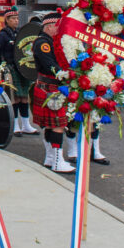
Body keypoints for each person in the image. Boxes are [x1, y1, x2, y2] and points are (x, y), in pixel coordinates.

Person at [30, 11, 74, 173]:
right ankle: (57, 160)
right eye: (57, 26)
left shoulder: (53, 41)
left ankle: (50, 158)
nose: (59, 29)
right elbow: (50, 65)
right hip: (50, 86)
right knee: (58, 126)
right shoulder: (43, 43)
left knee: (51, 125)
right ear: (48, 27)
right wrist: (66, 74)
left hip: (52, 86)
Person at [0, 8, 38, 136]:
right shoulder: (3, 35)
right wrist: (0, 67)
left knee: (24, 98)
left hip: (23, 68)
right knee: (15, 98)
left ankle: (26, 125)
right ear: (6, 20)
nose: (16, 21)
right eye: (13, 19)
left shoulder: (20, 33)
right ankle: (15, 125)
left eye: (17, 19)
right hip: (11, 68)